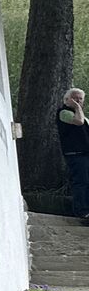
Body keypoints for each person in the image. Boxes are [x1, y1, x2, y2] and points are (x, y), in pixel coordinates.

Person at [59, 88, 89, 222]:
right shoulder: (63, 112)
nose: (78, 101)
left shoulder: (83, 116)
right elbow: (79, 122)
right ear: (67, 100)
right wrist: (77, 107)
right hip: (76, 154)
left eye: (80, 99)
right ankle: (82, 211)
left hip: (85, 154)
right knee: (81, 182)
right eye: (75, 98)